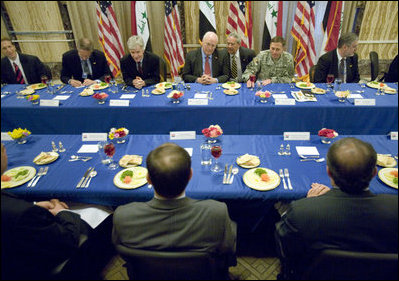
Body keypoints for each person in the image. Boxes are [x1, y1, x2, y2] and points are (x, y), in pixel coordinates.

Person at [274, 137, 398, 280]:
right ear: (374, 173)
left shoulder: (303, 212)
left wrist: (312, 204)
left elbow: (285, 248)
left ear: (329, 172)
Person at [112, 143, 237, 269]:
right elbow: (227, 248)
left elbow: (122, 250)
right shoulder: (216, 213)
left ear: (148, 179)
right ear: (190, 175)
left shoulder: (123, 216)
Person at [1, 143, 114, 280]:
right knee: (104, 212)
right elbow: (68, 239)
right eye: (3, 148)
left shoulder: (21, 209)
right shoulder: (25, 214)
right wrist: (61, 212)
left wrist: (34, 205)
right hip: (39, 266)